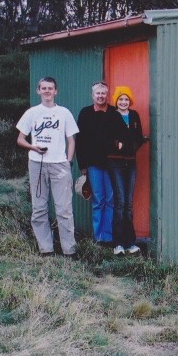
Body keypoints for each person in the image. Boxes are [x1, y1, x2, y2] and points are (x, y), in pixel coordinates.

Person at [16, 76, 79, 257]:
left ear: (55, 91)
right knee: (39, 208)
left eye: (50, 88)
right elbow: (20, 139)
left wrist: (68, 161)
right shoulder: (31, 113)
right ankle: (46, 248)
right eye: (43, 88)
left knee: (64, 209)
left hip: (59, 165)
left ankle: (69, 250)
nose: (47, 91)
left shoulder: (64, 113)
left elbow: (71, 139)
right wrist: (33, 147)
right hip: (37, 164)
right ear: (38, 91)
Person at [75, 82, 119, 244]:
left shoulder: (114, 113)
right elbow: (80, 140)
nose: (100, 96)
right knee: (98, 200)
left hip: (112, 164)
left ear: (107, 95)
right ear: (92, 95)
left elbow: (121, 135)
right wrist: (83, 166)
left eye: (103, 93)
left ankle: (108, 236)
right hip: (93, 164)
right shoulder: (85, 113)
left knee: (110, 200)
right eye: (97, 93)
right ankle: (98, 238)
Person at [107, 85, 145, 256]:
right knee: (120, 202)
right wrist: (117, 144)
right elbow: (105, 138)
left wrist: (132, 145)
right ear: (116, 101)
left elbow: (138, 137)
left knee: (128, 204)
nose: (123, 102)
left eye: (126, 99)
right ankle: (118, 243)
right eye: (120, 99)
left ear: (130, 101)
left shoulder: (134, 115)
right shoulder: (111, 116)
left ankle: (130, 242)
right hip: (115, 163)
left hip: (130, 162)